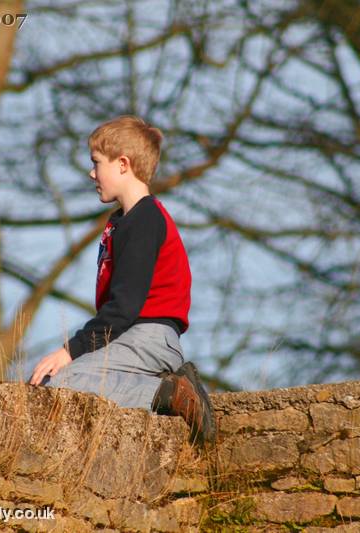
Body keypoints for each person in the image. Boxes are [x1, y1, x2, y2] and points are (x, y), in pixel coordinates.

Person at [28, 115, 217, 446]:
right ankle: (159, 388)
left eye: (96, 163)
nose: (91, 173)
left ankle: (169, 392)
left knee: (59, 382)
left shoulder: (145, 220)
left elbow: (124, 307)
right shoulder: (123, 223)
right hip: (130, 338)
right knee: (54, 381)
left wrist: (71, 350)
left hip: (148, 338)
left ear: (123, 164)